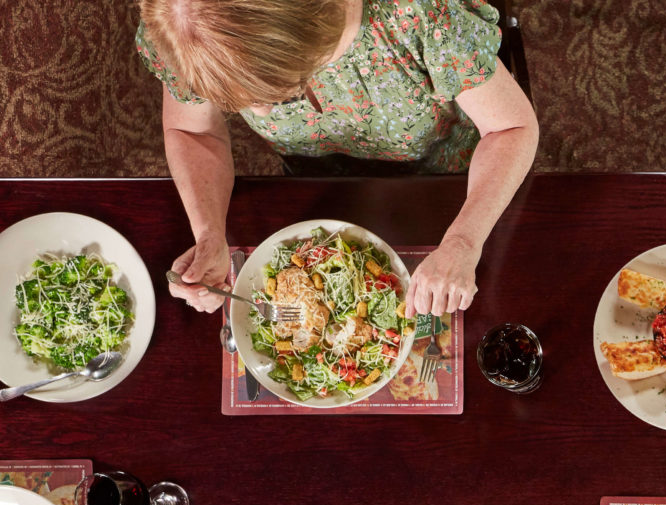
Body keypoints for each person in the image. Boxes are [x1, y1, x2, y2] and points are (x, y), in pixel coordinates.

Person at [136, 0, 538, 319]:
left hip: (445, 177)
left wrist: (463, 242)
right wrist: (208, 233)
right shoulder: (182, 25)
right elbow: (194, 130)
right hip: (313, 180)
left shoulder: (421, 15)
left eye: (279, 98)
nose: (259, 116)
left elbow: (511, 129)